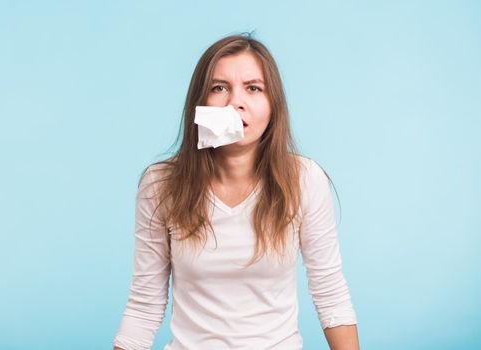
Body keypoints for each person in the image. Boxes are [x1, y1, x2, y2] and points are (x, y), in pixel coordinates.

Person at [113, 33, 359, 350]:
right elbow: (144, 304)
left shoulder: (305, 179)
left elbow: (330, 293)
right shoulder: (160, 185)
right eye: (219, 88)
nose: (235, 102)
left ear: (273, 106)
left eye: (253, 88)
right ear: (199, 104)